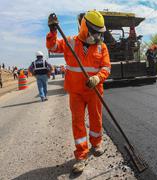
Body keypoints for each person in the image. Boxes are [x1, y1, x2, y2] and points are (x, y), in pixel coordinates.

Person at [46, 11, 111, 173]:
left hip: (94, 90)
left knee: (96, 118)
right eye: (94, 32)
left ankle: (96, 144)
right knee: (78, 122)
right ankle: (81, 155)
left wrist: (97, 78)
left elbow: (106, 67)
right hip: (76, 91)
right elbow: (52, 47)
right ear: (84, 27)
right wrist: (53, 31)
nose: (97, 36)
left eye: (99, 32)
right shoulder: (70, 42)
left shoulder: (101, 47)